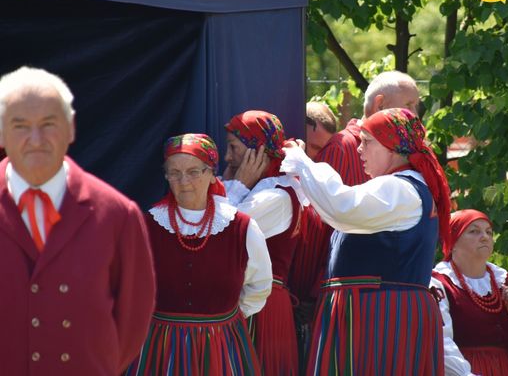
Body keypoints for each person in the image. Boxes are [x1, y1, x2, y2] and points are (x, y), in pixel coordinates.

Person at [0, 66, 155, 375]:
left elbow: (132, 320)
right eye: (20, 125)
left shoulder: (118, 214)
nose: (36, 139)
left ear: (71, 128)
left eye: (49, 124)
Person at [281, 108, 451, 375]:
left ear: (392, 147)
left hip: (380, 314)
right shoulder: (401, 187)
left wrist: (301, 161)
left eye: (367, 142)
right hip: (374, 309)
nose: (360, 149)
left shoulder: (398, 188)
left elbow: (341, 205)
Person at [125, 133, 272, 375]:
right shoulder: (148, 225)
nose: (184, 181)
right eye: (174, 172)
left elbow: (260, 285)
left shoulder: (240, 227)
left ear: (211, 173)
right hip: (160, 349)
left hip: (221, 345)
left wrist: (225, 319)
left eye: (193, 171)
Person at [223, 110, 304, 376]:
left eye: (233, 148)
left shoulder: (276, 197)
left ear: (256, 152)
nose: (227, 157)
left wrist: (236, 186)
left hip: (262, 306)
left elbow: (220, 234)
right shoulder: (258, 190)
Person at [431, 209, 508, 376]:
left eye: (488, 232)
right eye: (474, 231)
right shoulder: (439, 283)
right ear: (453, 240)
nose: (485, 237)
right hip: (463, 370)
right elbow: (440, 344)